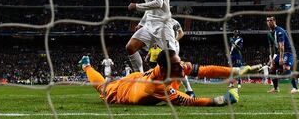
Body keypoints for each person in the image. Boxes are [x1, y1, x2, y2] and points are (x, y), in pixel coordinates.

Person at [79, 50, 262, 106]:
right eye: (177, 65)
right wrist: (221, 100)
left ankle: (87, 64)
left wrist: (236, 71)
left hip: (138, 77)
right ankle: (86, 64)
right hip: (121, 92)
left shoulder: (175, 68)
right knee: (103, 86)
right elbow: (190, 101)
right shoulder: (158, 88)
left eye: (180, 62)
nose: (182, 67)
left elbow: (206, 70)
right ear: (165, 68)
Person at [126, 0, 176, 73]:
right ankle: (139, 75)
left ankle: (188, 88)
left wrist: (136, 6)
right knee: (130, 47)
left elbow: (158, 3)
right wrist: (141, 23)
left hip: (163, 25)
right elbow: (149, 10)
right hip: (149, 25)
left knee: (172, 59)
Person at [266, 16, 299, 94]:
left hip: (288, 52)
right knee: (272, 68)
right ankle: (275, 88)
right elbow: (271, 47)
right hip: (281, 53)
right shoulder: (269, 34)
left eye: (270, 20)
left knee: (286, 67)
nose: (269, 22)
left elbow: (282, 46)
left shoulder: (279, 31)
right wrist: (271, 58)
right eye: (267, 21)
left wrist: (281, 58)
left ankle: (295, 88)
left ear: (274, 21)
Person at [170, 18, 195, 97]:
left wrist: (174, 40)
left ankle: (189, 89)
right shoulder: (157, 21)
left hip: (173, 46)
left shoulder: (173, 22)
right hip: (162, 46)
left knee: (175, 66)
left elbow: (181, 33)